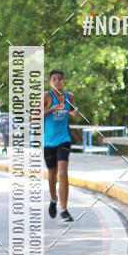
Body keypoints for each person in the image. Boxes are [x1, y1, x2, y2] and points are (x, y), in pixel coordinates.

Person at [43, 69, 79, 222]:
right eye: (54, 79)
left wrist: (75, 112)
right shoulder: (46, 96)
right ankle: (53, 199)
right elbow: (34, 115)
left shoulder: (68, 96)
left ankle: (64, 210)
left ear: (63, 81)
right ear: (50, 82)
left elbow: (71, 110)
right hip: (49, 141)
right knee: (52, 175)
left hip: (64, 139)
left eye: (60, 79)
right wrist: (52, 109)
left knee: (63, 172)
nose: (57, 81)